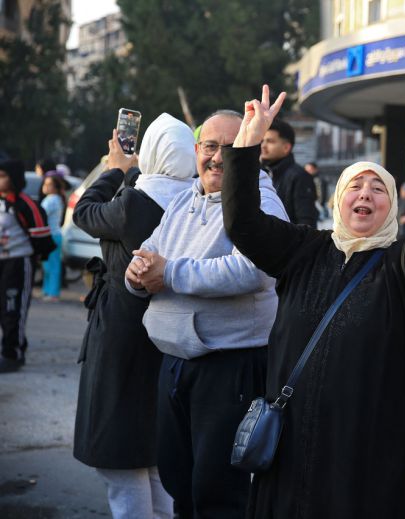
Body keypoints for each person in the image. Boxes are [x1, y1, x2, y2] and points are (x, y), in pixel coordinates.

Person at [222, 85, 405, 519]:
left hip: (361, 454)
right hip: (288, 444)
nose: (365, 194)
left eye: (378, 189)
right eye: (355, 186)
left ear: (392, 205)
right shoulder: (303, 249)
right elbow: (243, 223)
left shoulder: (401, 266)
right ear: (337, 199)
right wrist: (247, 145)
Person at [124, 109, 288, 519]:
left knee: (217, 494)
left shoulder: (261, 199)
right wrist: (136, 274)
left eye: (231, 149)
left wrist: (170, 272)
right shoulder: (184, 198)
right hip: (175, 363)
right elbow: (148, 254)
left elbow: (251, 269)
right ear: (196, 150)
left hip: (228, 365)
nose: (217, 157)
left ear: (249, 152)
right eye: (210, 146)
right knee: (181, 484)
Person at [72, 114, 197, 519]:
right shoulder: (194, 201)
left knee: (118, 455)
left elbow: (85, 212)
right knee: (155, 453)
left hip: (121, 333)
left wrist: (115, 169)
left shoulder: (134, 202)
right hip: (168, 332)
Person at [0, 160, 56, 373]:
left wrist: (35, 259)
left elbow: (42, 237)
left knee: (12, 308)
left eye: (2, 176)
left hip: (17, 262)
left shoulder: (25, 204)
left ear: (13, 178)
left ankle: (12, 353)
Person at [260, 119, 318, 226]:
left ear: (286, 147)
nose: (263, 146)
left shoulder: (300, 177)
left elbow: (307, 223)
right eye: (262, 141)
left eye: (270, 141)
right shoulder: (261, 174)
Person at [40, 174, 67, 301]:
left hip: (52, 236)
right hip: (51, 235)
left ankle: (53, 293)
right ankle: (48, 291)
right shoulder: (53, 199)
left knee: (53, 266)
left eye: (49, 184)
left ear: (55, 187)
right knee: (47, 266)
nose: (45, 186)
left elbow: (41, 215)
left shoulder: (52, 200)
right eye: (45, 183)